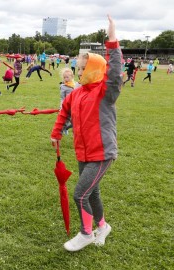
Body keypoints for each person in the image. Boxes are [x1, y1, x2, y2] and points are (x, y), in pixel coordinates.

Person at [50, 15, 122, 252]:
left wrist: (112, 40)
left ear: (94, 69)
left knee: (80, 194)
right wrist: (56, 132)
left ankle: (86, 233)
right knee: (92, 194)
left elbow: (114, 71)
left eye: (83, 69)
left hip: (102, 153)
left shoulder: (106, 91)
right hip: (84, 152)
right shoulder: (77, 93)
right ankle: (102, 226)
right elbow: (64, 111)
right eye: (78, 68)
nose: (79, 72)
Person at [59, 67, 79, 135]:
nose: (65, 79)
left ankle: (66, 128)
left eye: (67, 77)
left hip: (75, 107)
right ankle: (59, 133)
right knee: (65, 121)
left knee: (75, 122)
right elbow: (62, 98)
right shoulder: (63, 86)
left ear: (72, 76)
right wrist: (62, 107)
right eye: (64, 77)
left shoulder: (76, 84)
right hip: (67, 107)